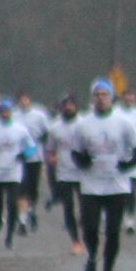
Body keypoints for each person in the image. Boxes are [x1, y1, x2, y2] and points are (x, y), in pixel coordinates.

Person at [74, 78, 136, 271]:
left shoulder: (123, 122)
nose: (101, 99)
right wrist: (83, 160)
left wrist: (128, 165)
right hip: (91, 184)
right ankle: (93, 256)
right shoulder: (83, 124)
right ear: (92, 98)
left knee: (113, 231)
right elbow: (76, 152)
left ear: (112, 97)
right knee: (90, 228)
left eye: (104, 95)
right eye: (97, 95)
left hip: (117, 184)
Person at [0, 100, 36, 249]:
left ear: (11, 112)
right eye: (3, 111)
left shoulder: (20, 129)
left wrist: (24, 155)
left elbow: (32, 146)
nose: (5, 114)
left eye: (8, 111)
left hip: (13, 171)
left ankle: (9, 235)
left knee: (12, 204)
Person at [46, 94, 85, 255]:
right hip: (64, 173)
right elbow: (50, 150)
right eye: (66, 105)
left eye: (71, 104)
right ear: (61, 107)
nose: (69, 107)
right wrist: (52, 159)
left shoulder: (84, 124)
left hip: (83, 172)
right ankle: (75, 241)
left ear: (76, 106)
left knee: (86, 208)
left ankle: (86, 232)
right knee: (68, 208)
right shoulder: (55, 128)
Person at [11, 91, 52, 234]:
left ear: (30, 100)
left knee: (32, 189)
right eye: (21, 99)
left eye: (26, 99)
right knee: (21, 188)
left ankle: (31, 211)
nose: (24, 102)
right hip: (18, 158)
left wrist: (44, 145)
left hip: (35, 157)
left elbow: (48, 132)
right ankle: (21, 220)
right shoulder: (14, 115)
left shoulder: (39, 115)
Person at [114, 87, 136, 234]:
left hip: (135, 155)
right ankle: (114, 217)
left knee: (131, 190)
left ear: (135, 98)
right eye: (127, 96)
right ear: (123, 98)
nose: (129, 99)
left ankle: (130, 220)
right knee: (117, 190)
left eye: (132, 96)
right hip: (118, 156)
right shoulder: (116, 112)